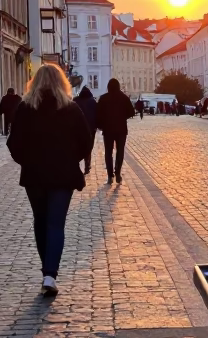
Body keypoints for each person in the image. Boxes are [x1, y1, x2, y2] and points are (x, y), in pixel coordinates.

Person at [7, 64, 92, 297]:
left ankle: (46, 269)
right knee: (56, 223)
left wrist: (27, 161)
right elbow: (86, 141)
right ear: (61, 82)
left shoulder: (25, 108)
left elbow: (13, 144)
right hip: (63, 175)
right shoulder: (71, 108)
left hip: (34, 175)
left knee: (40, 221)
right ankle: (50, 274)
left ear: (34, 82)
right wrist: (70, 159)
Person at [96, 78, 136, 184]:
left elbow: (98, 114)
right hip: (121, 129)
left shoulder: (103, 98)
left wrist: (100, 125)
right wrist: (123, 117)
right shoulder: (124, 98)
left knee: (108, 152)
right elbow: (132, 112)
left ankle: (110, 175)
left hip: (108, 129)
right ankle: (117, 172)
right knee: (120, 151)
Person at [75, 86, 98, 174]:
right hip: (91, 128)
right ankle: (87, 165)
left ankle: (76, 165)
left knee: (77, 146)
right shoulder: (93, 101)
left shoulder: (76, 100)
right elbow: (97, 114)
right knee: (89, 146)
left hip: (78, 128)